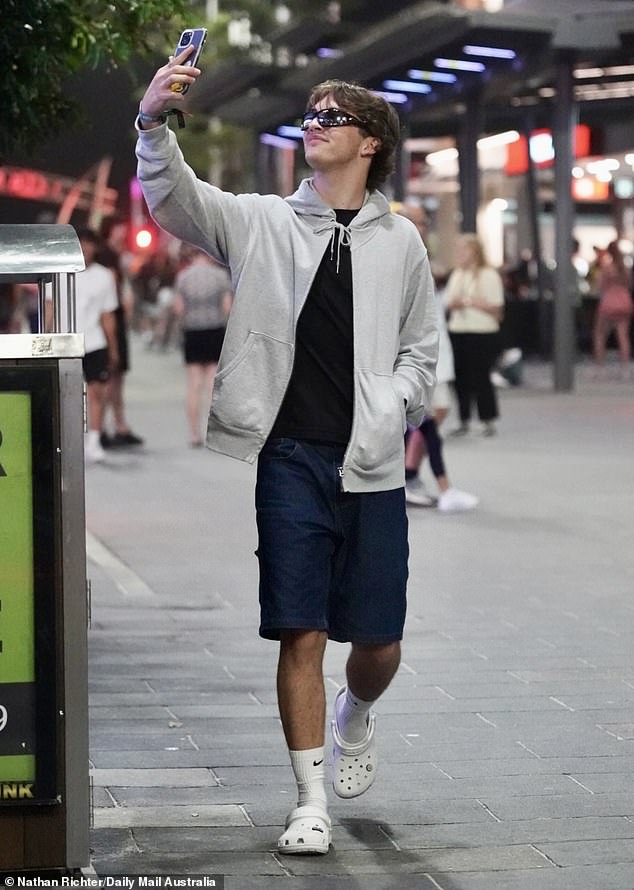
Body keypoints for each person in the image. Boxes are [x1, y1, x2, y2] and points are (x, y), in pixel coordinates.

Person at [136, 52, 438, 857]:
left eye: (332, 116)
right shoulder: (263, 221)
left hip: (369, 461)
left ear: (370, 141)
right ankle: (308, 800)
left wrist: (395, 406)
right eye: (310, 113)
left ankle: (356, 713)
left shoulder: (401, 241)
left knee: (378, 644)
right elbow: (176, 200)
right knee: (298, 629)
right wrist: (152, 121)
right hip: (290, 457)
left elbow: (422, 349)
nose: (315, 123)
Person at [397, 205, 478, 513]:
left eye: (425, 222)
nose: (425, 227)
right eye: (420, 222)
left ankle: (412, 476)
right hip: (420, 356)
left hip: (433, 353)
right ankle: (425, 482)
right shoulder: (401, 256)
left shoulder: (418, 255)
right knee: (426, 418)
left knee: (430, 417)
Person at [47, 229, 119, 464]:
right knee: (64, 393)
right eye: (81, 244)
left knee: (97, 391)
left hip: (94, 340)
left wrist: (113, 348)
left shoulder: (104, 276)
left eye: (89, 244)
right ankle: (64, 441)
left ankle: (95, 440)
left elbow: (108, 315)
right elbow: (49, 308)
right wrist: (45, 338)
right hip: (64, 342)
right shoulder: (57, 271)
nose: (85, 248)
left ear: (96, 248)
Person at [445, 233, 504, 437]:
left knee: (481, 376)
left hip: (482, 331)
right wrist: (463, 302)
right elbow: (449, 302)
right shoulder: (458, 275)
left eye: (464, 249)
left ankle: (487, 418)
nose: (460, 254)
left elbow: (496, 308)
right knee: (460, 377)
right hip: (459, 329)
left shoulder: (489, 275)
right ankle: (463, 418)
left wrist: (471, 303)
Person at [172, 248, 233, 446]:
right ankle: (212, 433)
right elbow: (227, 307)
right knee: (211, 385)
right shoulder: (220, 276)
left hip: (193, 332)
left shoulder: (184, 276)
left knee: (193, 384)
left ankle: (193, 434)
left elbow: (178, 308)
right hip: (214, 330)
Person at [96, 217, 145, 449]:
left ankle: (117, 424)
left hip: (116, 316)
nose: (122, 232)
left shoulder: (116, 255)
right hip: (110, 316)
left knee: (116, 375)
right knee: (109, 373)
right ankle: (103, 426)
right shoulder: (105, 255)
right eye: (119, 228)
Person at [593, 240, 633, 379]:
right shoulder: (625, 268)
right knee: (623, 336)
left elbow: (600, 286)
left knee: (600, 334)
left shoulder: (607, 267)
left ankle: (600, 368)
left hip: (609, 303)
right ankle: (625, 368)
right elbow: (629, 285)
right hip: (624, 302)